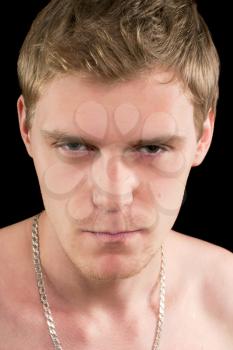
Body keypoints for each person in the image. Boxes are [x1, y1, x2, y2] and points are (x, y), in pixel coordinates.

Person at [0, 0, 232, 348]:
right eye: (76, 146)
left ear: (203, 136)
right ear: (26, 127)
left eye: (152, 149)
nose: (112, 194)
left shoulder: (227, 298)